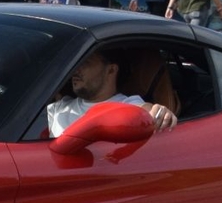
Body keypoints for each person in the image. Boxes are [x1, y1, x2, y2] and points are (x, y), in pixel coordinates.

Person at [46, 49, 176, 140]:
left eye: (85, 62)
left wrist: (161, 113)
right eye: (76, 63)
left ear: (111, 70)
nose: (76, 69)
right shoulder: (59, 106)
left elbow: (148, 112)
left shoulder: (127, 106)